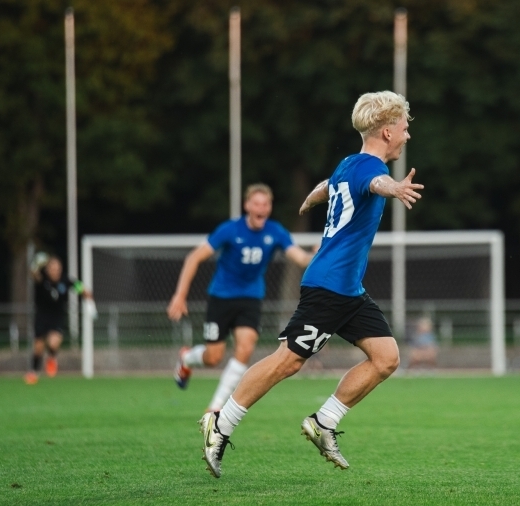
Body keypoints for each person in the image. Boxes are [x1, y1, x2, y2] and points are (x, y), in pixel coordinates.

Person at [198, 90, 423, 478]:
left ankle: (324, 422)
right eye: (404, 127)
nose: (407, 134)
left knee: (386, 357)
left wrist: (312, 198)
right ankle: (219, 424)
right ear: (386, 132)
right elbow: (378, 183)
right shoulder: (370, 169)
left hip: (348, 290)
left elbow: (328, 184)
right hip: (328, 288)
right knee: (288, 361)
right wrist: (396, 188)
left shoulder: (348, 164)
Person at [168, 183, 314, 413]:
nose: (261, 208)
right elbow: (194, 258)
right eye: (256, 203)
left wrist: (315, 255)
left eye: (265, 204)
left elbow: (300, 258)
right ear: (247, 206)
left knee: (245, 348)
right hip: (221, 297)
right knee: (213, 357)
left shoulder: (275, 232)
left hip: (251, 298)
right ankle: (187, 358)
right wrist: (180, 295)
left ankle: (215, 408)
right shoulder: (230, 230)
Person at [26, 253, 93, 385]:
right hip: (41, 316)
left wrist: (88, 298)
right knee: (38, 347)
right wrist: (35, 265)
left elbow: (80, 288)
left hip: (57, 317)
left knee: (53, 342)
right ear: (47, 269)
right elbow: (33, 274)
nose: (55, 271)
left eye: (58, 268)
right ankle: (34, 372)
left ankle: (51, 358)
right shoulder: (42, 279)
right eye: (52, 268)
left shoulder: (66, 280)